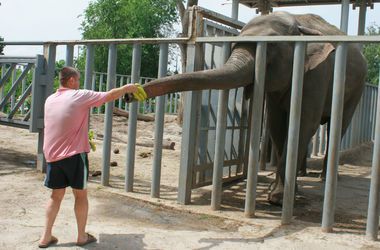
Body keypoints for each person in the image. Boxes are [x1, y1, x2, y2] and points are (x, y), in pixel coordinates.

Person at [38, 66, 143, 248]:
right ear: (71, 80)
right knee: (80, 195)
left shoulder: (50, 99)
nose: (79, 83)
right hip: (74, 156)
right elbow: (108, 95)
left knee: (56, 196)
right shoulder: (79, 95)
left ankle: (45, 237)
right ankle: (81, 236)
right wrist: (127, 89)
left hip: (52, 156)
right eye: (77, 80)